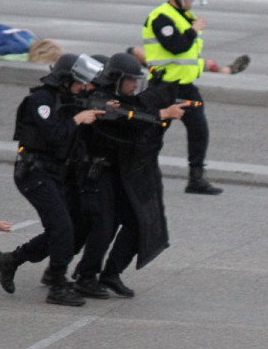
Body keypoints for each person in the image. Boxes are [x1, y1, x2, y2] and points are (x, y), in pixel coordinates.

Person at [0, 54, 105, 306]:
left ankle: (12, 260)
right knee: (63, 227)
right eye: (79, 82)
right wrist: (78, 119)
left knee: (66, 228)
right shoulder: (40, 100)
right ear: (65, 80)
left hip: (56, 173)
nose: (82, 88)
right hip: (34, 173)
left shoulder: (69, 99)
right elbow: (55, 134)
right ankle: (57, 285)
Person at [71, 53, 185, 299]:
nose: (135, 85)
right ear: (115, 79)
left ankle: (110, 273)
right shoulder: (102, 100)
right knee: (99, 227)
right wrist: (162, 115)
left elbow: (139, 111)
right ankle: (80, 276)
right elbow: (126, 121)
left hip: (122, 175)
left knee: (138, 223)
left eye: (137, 80)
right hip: (98, 174)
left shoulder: (125, 100)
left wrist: (164, 90)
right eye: (130, 80)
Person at [142, 0, 225, 195]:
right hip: (164, 89)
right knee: (152, 132)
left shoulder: (185, 17)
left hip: (186, 88)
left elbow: (186, 58)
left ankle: (196, 178)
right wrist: (194, 30)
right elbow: (176, 46)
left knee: (199, 129)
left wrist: (204, 65)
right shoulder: (161, 17)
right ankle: (138, 171)